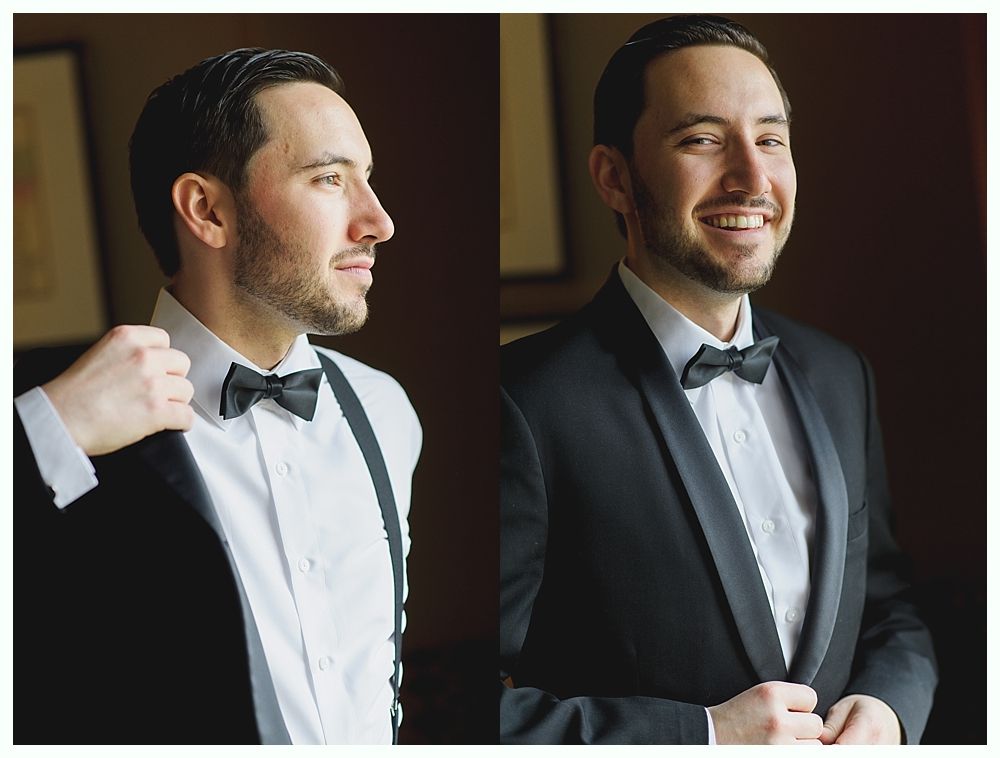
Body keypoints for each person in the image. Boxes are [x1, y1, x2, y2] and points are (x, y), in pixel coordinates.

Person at [500, 15, 936, 745]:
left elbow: (891, 607)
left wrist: (887, 707)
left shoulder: (840, 374)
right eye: (702, 140)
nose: (753, 178)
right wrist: (700, 734)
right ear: (614, 177)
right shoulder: (522, 402)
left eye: (770, 139)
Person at [14, 48, 421, 745]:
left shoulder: (385, 413)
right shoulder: (60, 425)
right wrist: (47, 430)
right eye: (329, 179)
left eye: (368, 180)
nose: (378, 221)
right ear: (206, 210)